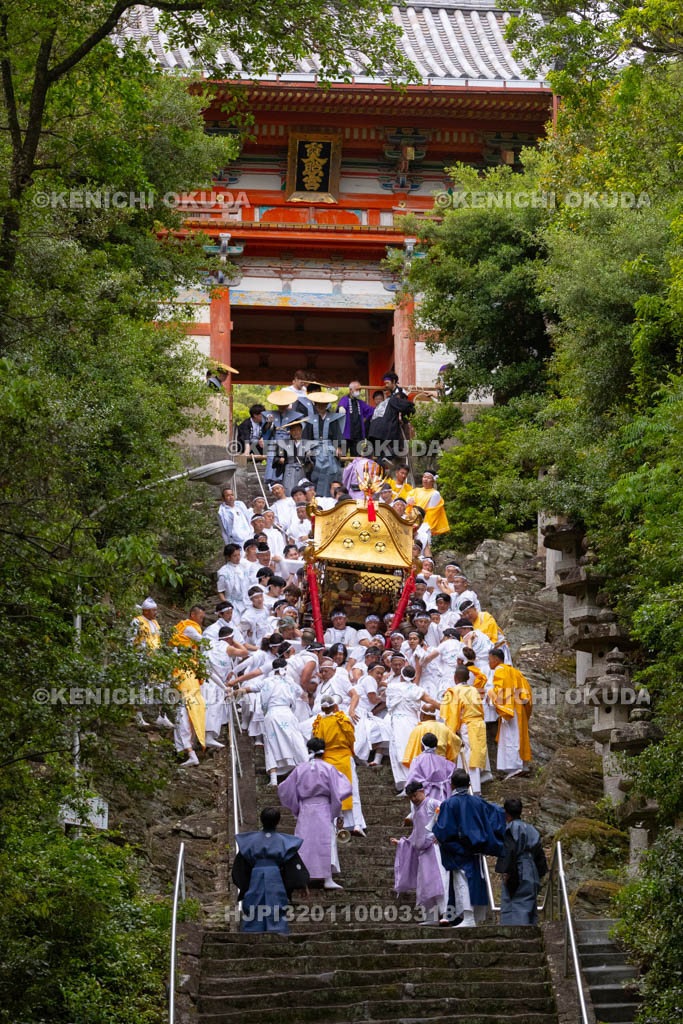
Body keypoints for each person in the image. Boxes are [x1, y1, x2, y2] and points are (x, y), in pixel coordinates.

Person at [432, 768, 505, 928]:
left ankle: (469, 917)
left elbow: (443, 830)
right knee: (475, 881)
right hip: (476, 848)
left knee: (462, 882)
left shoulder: (449, 804)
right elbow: (497, 813)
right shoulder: (478, 802)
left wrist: (436, 830)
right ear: (469, 784)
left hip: (458, 849)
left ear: (451, 785)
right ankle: (474, 917)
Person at [278, 737, 353, 890]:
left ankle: (303, 876)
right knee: (326, 841)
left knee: (304, 841)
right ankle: (327, 878)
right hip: (323, 808)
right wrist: (336, 812)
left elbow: (284, 789)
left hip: (306, 808)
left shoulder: (300, 769)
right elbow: (340, 790)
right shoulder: (329, 768)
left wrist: (296, 806)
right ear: (324, 751)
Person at [231, 807, 310, 934]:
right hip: (275, 876)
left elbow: (240, 867)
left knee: (254, 901)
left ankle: (252, 929)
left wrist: (243, 885)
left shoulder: (250, 841)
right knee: (276, 902)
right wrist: (303, 883)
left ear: (261, 820)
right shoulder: (284, 842)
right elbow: (294, 864)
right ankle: (278, 929)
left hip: (255, 875)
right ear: (278, 821)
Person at [235, 656, 308, 785]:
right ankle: (305, 773)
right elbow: (301, 693)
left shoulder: (266, 681)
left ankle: (273, 780)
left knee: (271, 744)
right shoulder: (290, 682)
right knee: (296, 742)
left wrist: (232, 693)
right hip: (287, 714)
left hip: (272, 715)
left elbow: (246, 690)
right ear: (285, 669)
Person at [391, 781, 449, 925]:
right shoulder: (416, 811)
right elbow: (416, 833)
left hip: (434, 848)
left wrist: (440, 833)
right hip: (422, 851)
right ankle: (430, 917)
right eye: (410, 797)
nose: (413, 799)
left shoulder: (432, 803)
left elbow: (446, 815)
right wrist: (402, 843)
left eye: (415, 795)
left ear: (422, 791)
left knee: (440, 881)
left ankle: (446, 914)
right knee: (424, 884)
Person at [312, 695, 366, 837]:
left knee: (333, 794)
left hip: (328, 761)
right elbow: (351, 737)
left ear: (322, 708)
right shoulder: (342, 719)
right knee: (352, 791)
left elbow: (317, 742)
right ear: (335, 706)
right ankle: (357, 824)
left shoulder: (319, 723)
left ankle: (337, 825)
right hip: (344, 759)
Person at [385, 664, 440, 794]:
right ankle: (407, 785)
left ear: (401, 675)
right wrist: (447, 710)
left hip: (401, 723)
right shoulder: (417, 690)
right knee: (407, 752)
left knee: (402, 752)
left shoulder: (392, 687)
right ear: (414, 677)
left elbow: (383, 685)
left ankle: (410, 784)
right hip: (410, 723)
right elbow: (431, 701)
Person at [496, 798, 547, 925]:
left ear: (505, 812)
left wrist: (507, 872)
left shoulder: (511, 828)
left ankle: (515, 934)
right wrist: (540, 873)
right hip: (532, 869)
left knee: (515, 906)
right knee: (529, 907)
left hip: (518, 869)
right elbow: (540, 855)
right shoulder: (531, 829)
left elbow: (510, 850)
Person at [440, 667, 489, 794]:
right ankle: (464, 786)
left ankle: (473, 789)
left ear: (455, 677)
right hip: (479, 724)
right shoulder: (474, 690)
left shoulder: (454, 691)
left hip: (467, 726)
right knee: (474, 754)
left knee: (470, 757)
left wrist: (452, 730)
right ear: (468, 678)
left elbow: (452, 714)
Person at [170, 607, 207, 768]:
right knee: (183, 714)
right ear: (193, 615)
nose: (202, 620)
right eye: (200, 617)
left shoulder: (190, 664)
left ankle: (189, 750)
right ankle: (187, 750)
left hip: (188, 685)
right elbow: (204, 642)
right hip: (186, 683)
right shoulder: (189, 627)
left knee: (184, 714)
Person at [488, 649, 533, 780]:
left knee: (511, 737)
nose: (489, 662)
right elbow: (527, 691)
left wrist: (490, 694)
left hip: (509, 709)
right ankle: (523, 765)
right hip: (519, 708)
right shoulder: (515, 671)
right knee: (519, 736)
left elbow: (501, 689)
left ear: (496, 659)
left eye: (489, 659)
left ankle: (515, 767)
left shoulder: (500, 670)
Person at [302, 390, 345, 498]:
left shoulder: (333, 419)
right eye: (318, 405)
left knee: (331, 471)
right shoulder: (311, 419)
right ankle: (316, 497)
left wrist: (339, 447)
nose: (321, 407)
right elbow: (307, 435)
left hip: (329, 448)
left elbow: (337, 433)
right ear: (315, 405)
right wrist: (307, 449)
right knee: (315, 470)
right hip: (314, 449)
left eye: (323, 404)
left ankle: (330, 496)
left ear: (327, 405)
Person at [367, 372, 415, 455]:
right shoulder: (390, 394)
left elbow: (403, 407)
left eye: (387, 383)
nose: (386, 385)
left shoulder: (400, 393)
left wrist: (401, 418)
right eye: (385, 383)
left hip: (398, 423)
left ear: (394, 381)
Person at [404, 732, 454, 803]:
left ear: (422, 745)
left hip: (423, 795)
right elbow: (451, 779)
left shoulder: (417, 760)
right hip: (441, 795)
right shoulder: (444, 761)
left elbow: (411, 778)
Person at [337, 381, 374, 456]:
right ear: (350, 390)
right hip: (345, 435)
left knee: (357, 458)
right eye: (357, 389)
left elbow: (371, 410)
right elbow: (341, 407)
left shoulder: (361, 403)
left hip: (358, 435)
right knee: (340, 457)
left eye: (360, 390)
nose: (359, 392)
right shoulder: (344, 399)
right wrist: (341, 408)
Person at [410, 471, 449, 536]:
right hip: (412, 521)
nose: (425, 479)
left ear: (433, 481)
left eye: (428, 478)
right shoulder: (416, 490)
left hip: (423, 526)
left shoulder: (435, 494)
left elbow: (431, 514)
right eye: (424, 477)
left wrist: (421, 528)